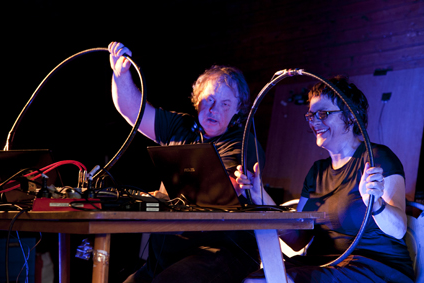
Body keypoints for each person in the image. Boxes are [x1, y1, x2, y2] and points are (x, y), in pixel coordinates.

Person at [108, 42, 264, 283]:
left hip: (220, 253)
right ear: (196, 100)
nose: (214, 110)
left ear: (237, 111)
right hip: (166, 255)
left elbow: (222, 190)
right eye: (209, 99)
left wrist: (156, 201)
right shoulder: (181, 126)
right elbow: (133, 111)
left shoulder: (243, 143)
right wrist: (121, 75)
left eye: (225, 104)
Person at [235, 75, 415, 283]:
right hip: (323, 264)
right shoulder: (317, 172)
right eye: (311, 116)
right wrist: (260, 196)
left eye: (324, 114)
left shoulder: (377, 158)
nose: (315, 122)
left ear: (350, 115)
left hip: (375, 268)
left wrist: (375, 204)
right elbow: (297, 239)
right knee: (256, 280)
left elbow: (398, 229)